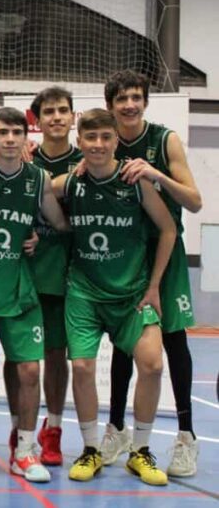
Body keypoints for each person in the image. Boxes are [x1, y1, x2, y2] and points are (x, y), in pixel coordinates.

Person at [56, 108, 176, 486]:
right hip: (85, 294)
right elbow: (35, 185)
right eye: (90, 138)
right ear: (80, 142)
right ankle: (91, 449)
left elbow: (169, 229)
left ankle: (139, 451)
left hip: (132, 295)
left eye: (105, 138)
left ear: (115, 141)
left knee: (153, 365)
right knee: (82, 368)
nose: (98, 145)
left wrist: (155, 285)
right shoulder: (70, 183)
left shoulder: (135, 181)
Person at [0, 107, 69, 483]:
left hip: (21, 289)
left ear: (26, 138)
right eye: (2, 132)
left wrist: (40, 234)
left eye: (16, 133)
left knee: (29, 369)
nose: (9, 139)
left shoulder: (38, 179)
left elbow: (60, 223)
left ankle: (24, 450)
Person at [100, 71, 202, 477]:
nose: (129, 104)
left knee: (175, 343)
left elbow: (194, 201)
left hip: (165, 252)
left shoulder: (164, 140)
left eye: (136, 97)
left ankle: (185, 437)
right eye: (122, 98)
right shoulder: (102, 139)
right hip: (123, 254)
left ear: (145, 101)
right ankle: (118, 429)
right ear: (110, 104)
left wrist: (157, 175)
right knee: (126, 346)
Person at [1, 86, 81, 466]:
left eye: (63, 110)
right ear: (36, 119)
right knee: (17, 358)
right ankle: (20, 429)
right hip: (22, 269)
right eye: (48, 111)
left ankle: (53, 430)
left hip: (63, 272)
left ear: (72, 116)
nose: (56, 117)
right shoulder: (20, 158)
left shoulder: (87, 159)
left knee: (55, 355)